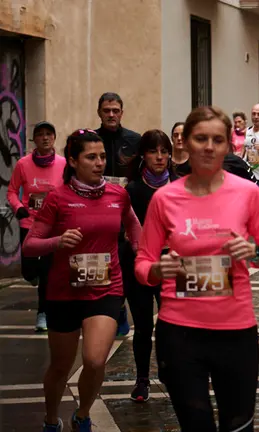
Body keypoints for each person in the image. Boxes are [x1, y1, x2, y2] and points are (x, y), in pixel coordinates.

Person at [135, 106, 259, 431]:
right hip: (180, 334)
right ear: (185, 143)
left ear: (228, 146)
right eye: (200, 138)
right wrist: (158, 270)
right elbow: (142, 265)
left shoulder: (247, 193)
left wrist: (254, 252)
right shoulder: (164, 199)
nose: (208, 147)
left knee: (238, 426)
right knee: (196, 426)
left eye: (217, 140)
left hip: (236, 333)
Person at [24, 129, 142, 432]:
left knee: (93, 360)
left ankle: (83, 414)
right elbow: (30, 245)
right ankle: (52, 418)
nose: (100, 162)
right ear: (74, 161)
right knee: (61, 367)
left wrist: (141, 251)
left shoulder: (119, 194)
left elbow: (132, 222)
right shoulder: (57, 198)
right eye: (91, 157)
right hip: (63, 292)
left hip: (106, 287)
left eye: (102, 156)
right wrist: (58, 242)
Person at [120, 130, 178, 403]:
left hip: (172, 266)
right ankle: (141, 380)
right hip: (141, 267)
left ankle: (170, 371)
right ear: (143, 154)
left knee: (172, 324)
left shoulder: (180, 186)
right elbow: (125, 230)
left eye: (164, 151)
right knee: (143, 326)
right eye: (154, 151)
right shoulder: (132, 190)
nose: (160, 157)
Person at [8, 121, 66, 332]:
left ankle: (43, 313)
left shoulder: (63, 163)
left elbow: (69, 189)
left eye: (48, 134)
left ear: (54, 138)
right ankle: (32, 276)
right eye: (40, 134)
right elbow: (12, 191)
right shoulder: (23, 164)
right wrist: (18, 208)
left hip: (53, 225)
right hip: (29, 222)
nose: (45, 138)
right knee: (29, 270)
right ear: (34, 139)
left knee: (47, 272)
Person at [95, 92, 141, 337]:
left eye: (115, 110)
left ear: (122, 112)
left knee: (125, 263)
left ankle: (121, 306)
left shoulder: (135, 140)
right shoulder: (92, 140)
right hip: (98, 213)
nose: (111, 114)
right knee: (102, 263)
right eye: (106, 110)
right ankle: (109, 309)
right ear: (99, 113)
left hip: (128, 213)